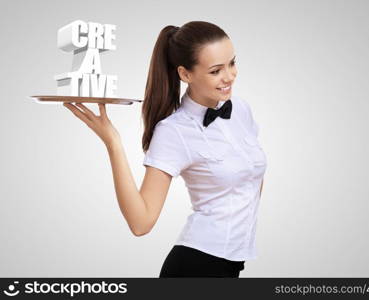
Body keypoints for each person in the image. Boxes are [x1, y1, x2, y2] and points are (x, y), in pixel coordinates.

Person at [63, 21, 267, 278]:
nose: (229, 76)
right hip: (198, 266)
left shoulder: (241, 109)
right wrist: (113, 142)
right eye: (216, 71)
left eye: (232, 63)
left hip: (233, 264)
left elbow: (252, 176)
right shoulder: (174, 131)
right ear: (185, 74)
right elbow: (141, 222)